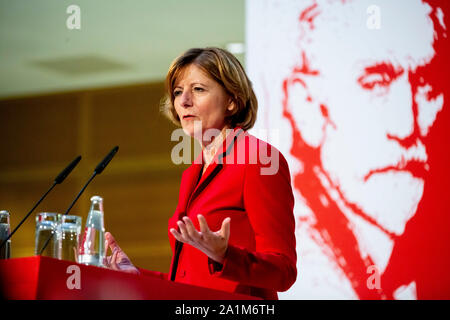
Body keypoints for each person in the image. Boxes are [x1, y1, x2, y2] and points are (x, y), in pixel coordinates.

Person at [248, 0, 449, 299]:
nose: (409, 127)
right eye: (376, 82)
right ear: (307, 106)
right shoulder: (309, 264)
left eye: (426, 85)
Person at [103, 47, 297, 300]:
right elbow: (189, 281)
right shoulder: (192, 174)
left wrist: (224, 256)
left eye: (198, 89)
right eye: (178, 92)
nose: (183, 101)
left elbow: (284, 271)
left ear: (232, 100)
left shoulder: (259, 159)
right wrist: (136, 275)